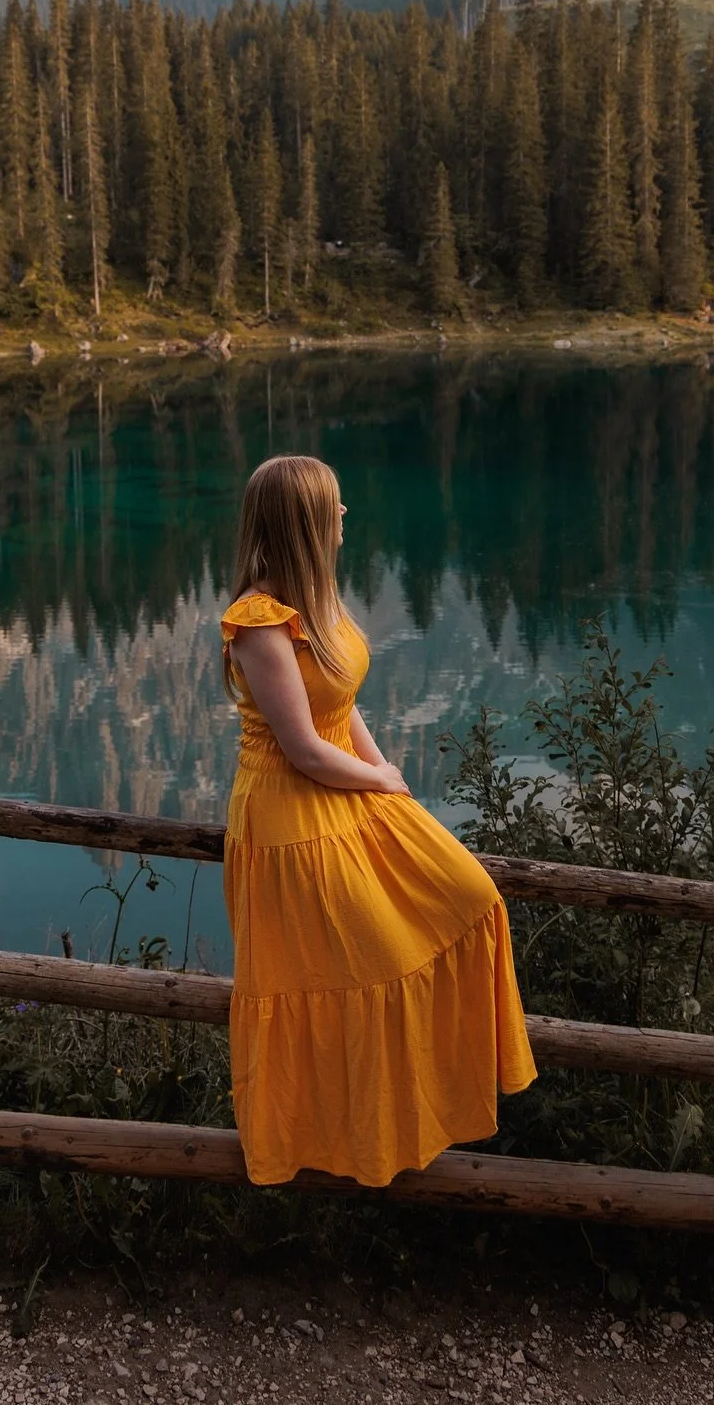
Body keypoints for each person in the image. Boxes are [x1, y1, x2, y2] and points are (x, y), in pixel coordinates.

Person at [220, 453, 536, 1187]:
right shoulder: (260, 623)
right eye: (333, 507)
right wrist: (382, 779)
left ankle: (405, 1118)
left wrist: (386, 780)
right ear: (305, 521)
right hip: (290, 817)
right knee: (370, 962)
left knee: (471, 898)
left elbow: (341, 705)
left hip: (345, 789)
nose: (343, 518)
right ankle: (346, 1139)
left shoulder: (316, 598)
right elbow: (301, 749)